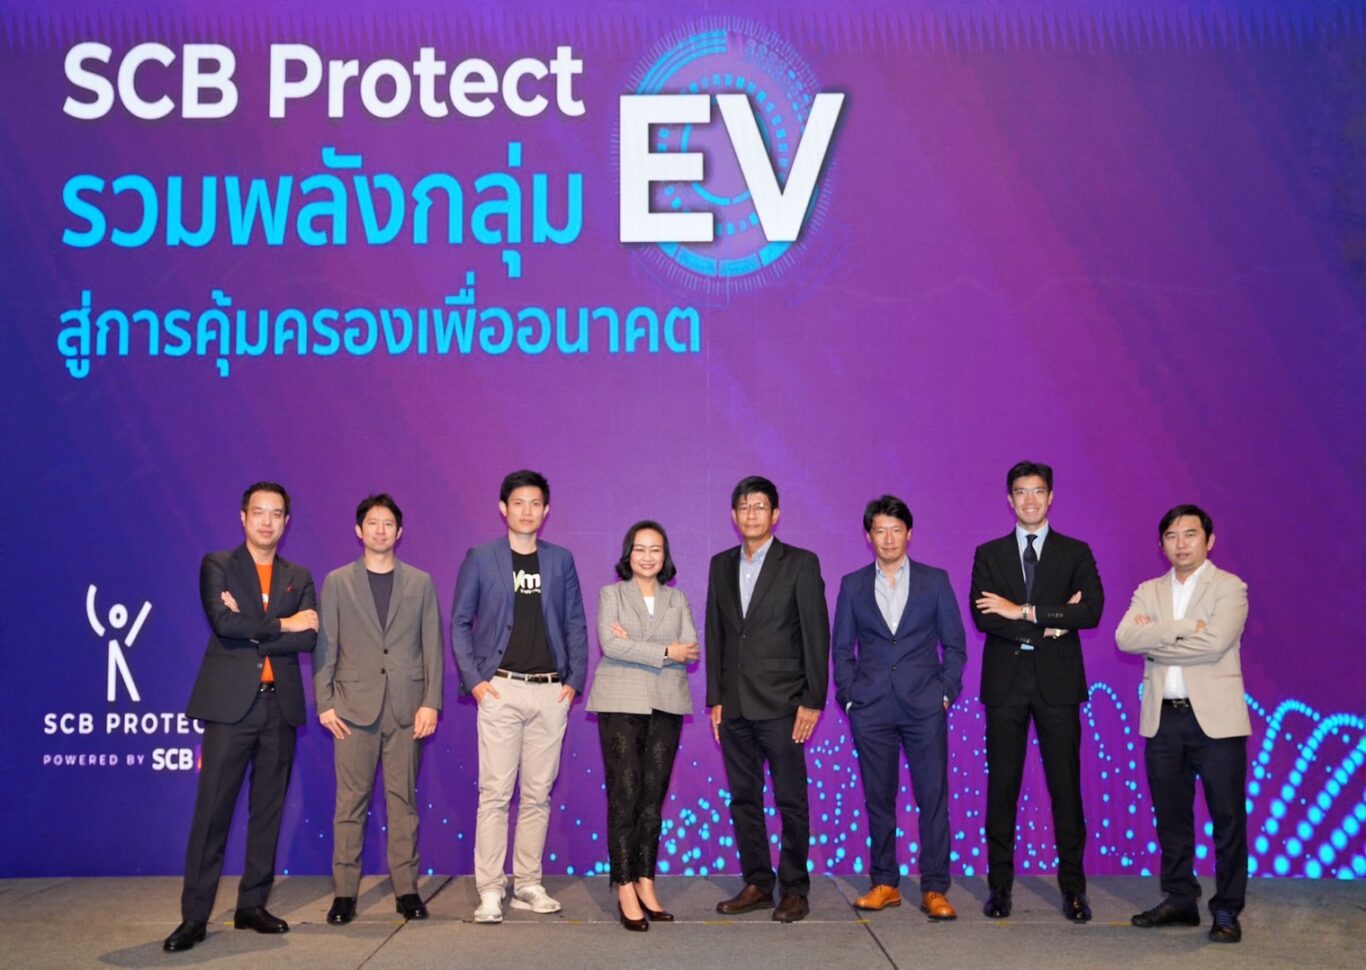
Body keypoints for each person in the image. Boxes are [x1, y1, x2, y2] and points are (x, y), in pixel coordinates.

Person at [164, 482, 318, 952]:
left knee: (268, 811)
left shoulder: (298, 575)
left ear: (286, 522)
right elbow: (223, 623)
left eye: (276, 514)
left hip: (279, 705)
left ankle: (252, 905)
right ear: (243, 517)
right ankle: (194, 917)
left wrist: (255, 626)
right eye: (259, 512)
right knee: (212, 812)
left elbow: (309, 637)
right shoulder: (218, 565)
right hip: (230, 708)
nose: (267, 521)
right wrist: (284, 623)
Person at [450, 470, 588, 924]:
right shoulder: (481, 558)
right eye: (518, 503)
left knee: (537, 795)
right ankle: (491, 889)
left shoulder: (560, 560)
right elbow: (459, 622)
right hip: (501, 690)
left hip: (551, 692)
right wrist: (476, 681)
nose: (527, 511)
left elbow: (575, 622)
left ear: (546, 511)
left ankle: (528, 882)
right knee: (494, 794)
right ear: (503, 508)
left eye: (535, 503)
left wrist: (573, 681)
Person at [970, 460, 1103, 923]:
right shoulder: (989, 554)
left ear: (1051, 497)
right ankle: (999, 887)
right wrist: (1052, 621)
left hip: (1058, 685)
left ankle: (1074, 890)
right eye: (1021, 492)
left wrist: (1022, 610)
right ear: (1009, 500)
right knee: (1002, 787)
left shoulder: (1075, 552)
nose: (1030, 500)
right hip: (1005, 684)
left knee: (1065, 787)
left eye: (1038, 491)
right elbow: (984, 616)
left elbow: (1091, 611)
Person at [1116, 505, 1249, 944]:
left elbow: (1214, 645)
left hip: (1216, 722)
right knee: (1171, 817)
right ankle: (1179, 898)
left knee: (1227, 818)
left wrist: (1155, 640)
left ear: (1209, 540)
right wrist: (1184, 626)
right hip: (1163, 719)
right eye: (1172, 536)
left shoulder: (1229, 587)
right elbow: (1124, 638)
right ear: (1161, 545)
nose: (1181, 543)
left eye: (1190, 534)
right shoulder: (1148, 590)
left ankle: (1226, 909)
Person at [833, 495, 966, 920]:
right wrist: (850, 697)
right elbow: (841, 650)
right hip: (871, 708)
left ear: (909, 533)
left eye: (895, 530)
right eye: (880, 531)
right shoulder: (852, 585)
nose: (888, 538)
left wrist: (944, 693)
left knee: (933, 798)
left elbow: (955, 645)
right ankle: (885, 882)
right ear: (868, 536)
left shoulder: (935, 581)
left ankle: (935, 888)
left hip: (924, 706)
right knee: (879, 799)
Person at [314, 494, 444, 925]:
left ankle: (407, 890)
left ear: (399, 532)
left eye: (388, 523)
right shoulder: (337, 581)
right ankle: (344, 894)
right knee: (350, 803)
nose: (380, 530)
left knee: (403, 802)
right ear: (359, 530)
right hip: (352, 709)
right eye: (373, 522)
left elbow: (432, 646)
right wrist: (325, 702)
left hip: (407, 709)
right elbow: (326, 645)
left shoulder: (420, 583)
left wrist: (431, 702)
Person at [706, 475, 830, 923]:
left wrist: (812, 700)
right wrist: (716, 698)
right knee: (744, 798)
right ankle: (758, 882)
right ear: (733, 515)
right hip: (735, 706)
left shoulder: (799, 562)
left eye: (759, 506)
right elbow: (717, 633)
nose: (751, 514)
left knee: (791, 800)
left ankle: (794, 888)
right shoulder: (720, 564)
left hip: (783, 705)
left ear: (775, 515)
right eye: (744, 507)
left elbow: (816, 635)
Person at [586, 521, 699, 931]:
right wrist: (666, 650)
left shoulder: (677, 598)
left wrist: (638, 645)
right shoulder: (611, 594)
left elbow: (691, 647)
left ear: (665, 556)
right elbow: (611, 644)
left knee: (652, 798)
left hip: (667, 703)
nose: (648, 557)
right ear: (627, 554)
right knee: (626, 794)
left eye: (656, 550)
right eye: (640, 549)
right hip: (620, 702)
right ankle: (624, 885)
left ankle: (646, 881)